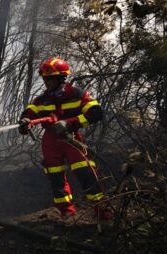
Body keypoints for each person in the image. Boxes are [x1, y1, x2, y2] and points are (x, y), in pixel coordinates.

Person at [18, 57, 112, 220]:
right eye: (44, 78)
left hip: (72, 139)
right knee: (56, 178)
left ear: (61, 77)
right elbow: (29, 113)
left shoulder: (77, 94)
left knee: (86, 174)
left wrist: (69, 123)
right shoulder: (41, 100)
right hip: (50, 141)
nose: (46, 82)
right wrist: (25, 121)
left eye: (50, 78)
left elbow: (96, 113)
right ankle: (67, 212)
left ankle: (102, 212)